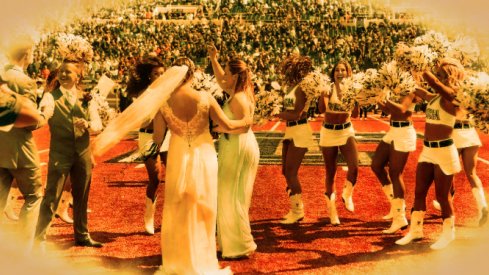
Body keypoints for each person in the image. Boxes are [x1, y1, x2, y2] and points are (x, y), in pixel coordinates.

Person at [152, 57, 248, 274]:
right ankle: (201, 260)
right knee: (203, 206)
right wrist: (247, 121)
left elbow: (157, 138)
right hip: (203, 154)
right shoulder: (204, 97)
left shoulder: (163, 101)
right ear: (193, 74)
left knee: (177, 206)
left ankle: (178, 261)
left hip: (177, 155)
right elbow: (228, 124)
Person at [396, 58, 464, 250]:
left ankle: (448, 233)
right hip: (428, 150)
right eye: (437, 74)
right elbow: (422, 90)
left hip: (444, 151)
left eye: (441, 75)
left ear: (450, 77)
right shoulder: (435, 97)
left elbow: (434, 84)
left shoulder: (453, 96)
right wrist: (406, 74)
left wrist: (419, 62)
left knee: (443, 197)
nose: (437, 78)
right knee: (419, 192)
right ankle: (416, 230)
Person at [35, 59, 103, 248]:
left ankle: (82, 235)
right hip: (60, 153)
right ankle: (39, 238)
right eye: (61, 72)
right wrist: (38, 119)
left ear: (78, 76)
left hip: (82, 153)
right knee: (51, 196)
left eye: (69, 72)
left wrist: (88, 125)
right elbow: (45, 114)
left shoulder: (87, 97)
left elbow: (98, 125)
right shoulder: (50, 97)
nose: (64, 75)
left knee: (82, 196)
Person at [208, 45, 259, 258]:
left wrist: (219, 127)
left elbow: (245, 125)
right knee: (232, 194)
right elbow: (220, 79)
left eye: (228, 73)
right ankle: (236, 242)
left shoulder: (238, 97)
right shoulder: (238, 89)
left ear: (236, 76)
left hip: (238, 144)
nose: (223, 77)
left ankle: (237, 246)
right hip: (238, 143)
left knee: (229, 194)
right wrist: (213, 58)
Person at [0, 36, 45, 251]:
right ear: (27, 54)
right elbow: (30, 122)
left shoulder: (2, 76)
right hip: (21, 149)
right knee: (34, 196)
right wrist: (44, 116)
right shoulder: (25, 81)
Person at [276, 53, 321, 224]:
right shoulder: (291, 86)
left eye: (289, 67)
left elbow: (296, 114)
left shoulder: (302, 87)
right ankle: (294, 207)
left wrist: (276, 113)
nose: (286, 70)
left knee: (291, 173)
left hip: (300, 130)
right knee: (285, 172)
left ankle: (298, 210)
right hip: (290, 131)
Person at [126, 55, 169, 235]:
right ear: (149, 76)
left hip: (168, 136)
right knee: (155, 177)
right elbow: (140, 119)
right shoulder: (144, 93)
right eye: (156, 73)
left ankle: (171, 218)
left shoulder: (169, 90)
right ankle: (149, 217)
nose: (160, 76)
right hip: (147, 137)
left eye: (162, 73)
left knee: (175, 175)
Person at [318, 59, 359, 225]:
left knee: (354, 167)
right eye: (337, 70)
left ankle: (347, 194)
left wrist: (355, 98)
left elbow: (355, 114)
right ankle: (332, 211)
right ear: (333, 73)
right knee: (331, 172)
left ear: (348, 73)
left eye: (343, 70)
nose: (340, 73)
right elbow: (323, 110)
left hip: (346, 130)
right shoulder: (328, 88)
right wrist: (322, 94)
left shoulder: (353, 88)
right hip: (328, 131)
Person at [371, 91, 419, 233]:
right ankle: (395, 205)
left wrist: (385, 97)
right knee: (376, 165)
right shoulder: (395, 84)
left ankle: (400, 218)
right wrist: (376, 98)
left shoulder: (411, 88)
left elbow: (402, 109)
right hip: (393, 130)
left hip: (404, 132)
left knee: (395, 173)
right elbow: (388, 110)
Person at [432, 110, 488, 227]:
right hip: (470, 132)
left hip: (454, 134)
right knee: (472, 173)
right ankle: (482, 205)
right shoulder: (473, 96)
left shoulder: (451, 94)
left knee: (448, 171)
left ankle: (446, 204)